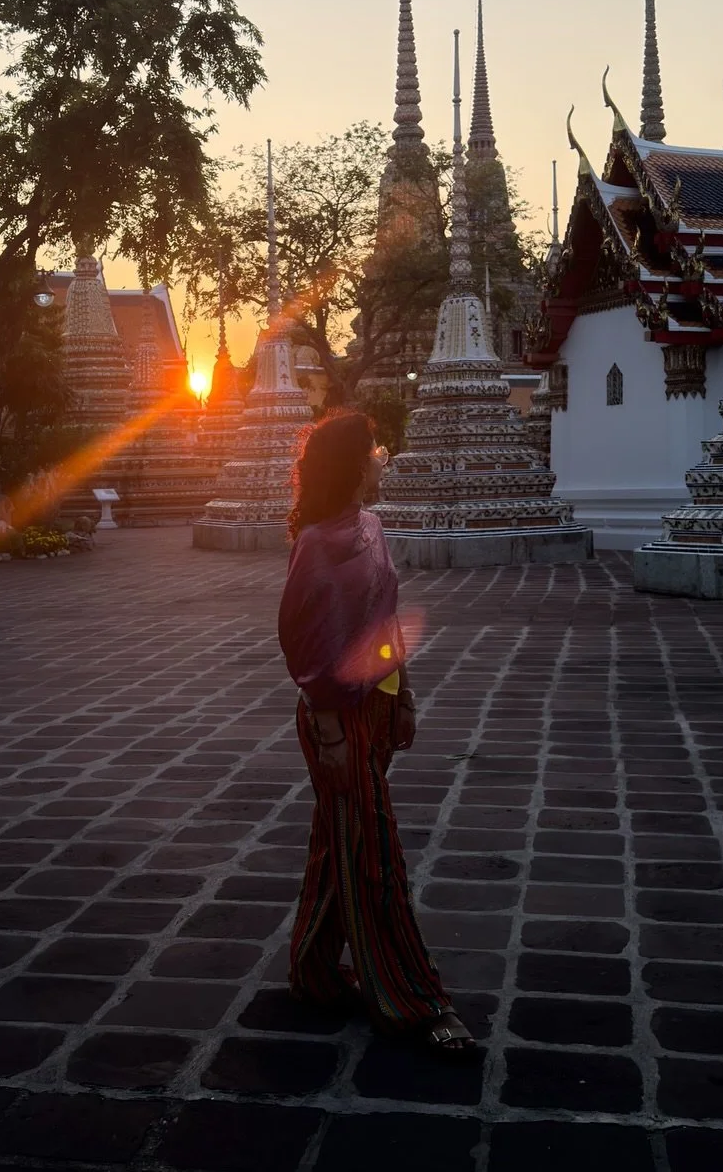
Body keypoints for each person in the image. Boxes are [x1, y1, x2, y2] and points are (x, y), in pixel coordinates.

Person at [277, 411, 476, 1059]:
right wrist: (332, 732)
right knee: (376, 857)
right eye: (374, 450)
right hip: (338, 718)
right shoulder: (315, 542)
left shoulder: (371, 527)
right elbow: (303, 642)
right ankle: (416, 997)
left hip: (380, 705)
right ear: (352, 462)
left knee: (341, 841)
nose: (383, 458)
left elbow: (386, 620)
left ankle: (311, 967)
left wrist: (406, 694)